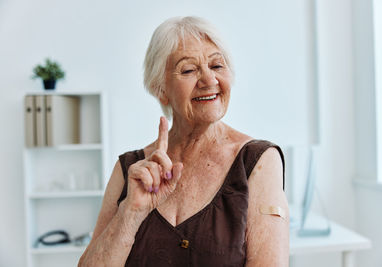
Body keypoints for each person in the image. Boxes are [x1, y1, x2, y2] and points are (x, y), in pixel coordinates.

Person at [79, 16, 289, 267]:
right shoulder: (131, 169)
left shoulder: (257, 161)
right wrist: (130, 213)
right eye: (189, 70)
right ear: (161, 89)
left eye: (217, 66)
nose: (209, 80)